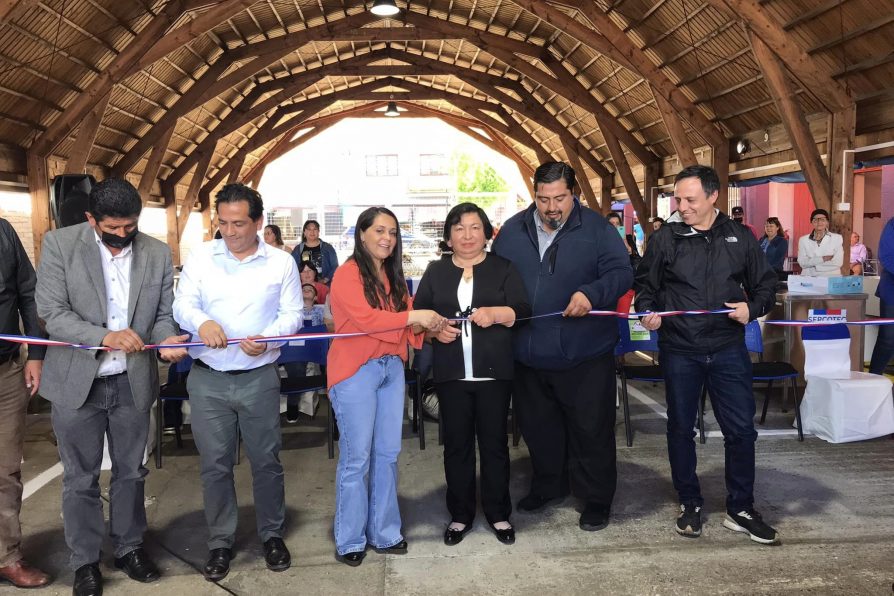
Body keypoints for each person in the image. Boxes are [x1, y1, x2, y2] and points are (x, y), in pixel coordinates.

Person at [35, 178, 189, 595]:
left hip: (132, 381)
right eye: (113, 228)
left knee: (131, 473)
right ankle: (85, 560)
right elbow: (52, 312)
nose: (122, 236)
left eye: (130, 227)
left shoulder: (157, 252)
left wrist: (167, 339)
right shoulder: (60, 245)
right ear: (91, 219)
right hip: (77, 382)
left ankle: (129, 547)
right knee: (80, 478)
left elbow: (161, 315)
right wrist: (105, 335)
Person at [635, 165, 779, 545]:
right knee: (681, 428)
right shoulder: (665, 237)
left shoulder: (740, 237)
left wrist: (753, 309)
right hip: (680, 349)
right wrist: (647, 313)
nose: (682, 206)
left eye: (690, 199)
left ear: (714, 197)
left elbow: (765, 284)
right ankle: (689, 502)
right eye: (678, 199)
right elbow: (644, 287)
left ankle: (741, 508)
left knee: (741, 430)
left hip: (728, 349)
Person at [491, 161, 632, 532]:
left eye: (560, 198)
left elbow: (621, 273)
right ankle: (549, 486)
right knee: (539, 428)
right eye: (543, 199)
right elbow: (495, 276)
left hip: (584, 352)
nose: (552, 207)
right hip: (528, 354)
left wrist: (591, 293)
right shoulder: (511, 231)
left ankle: (597, 499)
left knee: (591, 429)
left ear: (575, 194)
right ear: (533, 194)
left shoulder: (599, 230)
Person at [173, 183, 301, 582]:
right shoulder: (201, 257)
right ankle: (220, 542)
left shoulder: (280, 263)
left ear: (259, 222)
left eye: (239, 224)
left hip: (258, 377)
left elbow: (293, 314)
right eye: (223, 223)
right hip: (208, 379)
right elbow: (183, 303)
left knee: (266, 460)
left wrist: (268, 338)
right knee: (214, 465)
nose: (230, 232)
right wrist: (201, 322)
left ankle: (272, 534)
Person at [327, 207, 446, 566]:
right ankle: (350, 539)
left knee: (388, 454)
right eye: (379, 231)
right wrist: (414, 317)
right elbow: (367, 320)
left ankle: (385, 532)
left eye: (393, 233)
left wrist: (433, 326)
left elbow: (407, 323)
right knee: (356, 458)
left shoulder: (392, 275)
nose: (387, 239)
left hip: (391, 370)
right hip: (355, 373)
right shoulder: (347, 274)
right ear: (361, 234)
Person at [413, 203, 531, 547]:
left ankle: (498, 512)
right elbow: (419, 316)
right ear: (449, 235)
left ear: (487, 232)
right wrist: (435, 333)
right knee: (457, 447)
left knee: (495, 445)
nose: (467, 235)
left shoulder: (503, 268)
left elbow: (524, 311)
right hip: (451, 374)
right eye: (459, 228)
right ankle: (460, 514)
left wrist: (497, 313)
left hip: (494, 373)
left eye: (475, 227)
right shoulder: (435, 271)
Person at [0, 219, 51, 589]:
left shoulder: (3, 232)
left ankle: (6, 555)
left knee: (5, 469)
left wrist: (36, 353)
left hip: (5, 370)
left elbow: (28, 293)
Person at [869, 217, 894, 375]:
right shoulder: (893, 224)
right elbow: (886, 257)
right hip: (891, 291)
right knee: (888, 339)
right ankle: (873, 379)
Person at [606, 211, 639, 314]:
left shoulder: (628, 238)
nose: (615, 226)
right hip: (608, 284)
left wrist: (625, 242)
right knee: (608, 316)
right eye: (612, 224)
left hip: (625, 284)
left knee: (622, 316)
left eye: (617, 223)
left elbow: (635, 257)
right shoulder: (602, 240)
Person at [797, 208, 843, 277]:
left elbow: (838, 262)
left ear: (827, 222)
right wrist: (823, 259)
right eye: (815, 220)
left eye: (822, 220)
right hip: (809, 278)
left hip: (830, 278)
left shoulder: (837, 238)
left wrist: (814, 266)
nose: (819, 223)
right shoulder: (803, 240)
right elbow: (802, 263)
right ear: (811, 222)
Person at [293, 219, 338, 284]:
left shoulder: (328, 247)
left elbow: (335, 266)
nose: (312, 232)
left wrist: (325, 280)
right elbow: (293, 268)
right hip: (304, 286)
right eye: (309, 229)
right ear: (304, 232)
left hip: (324, 285)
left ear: (318, 232)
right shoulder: (298, 249)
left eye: (315, 229)